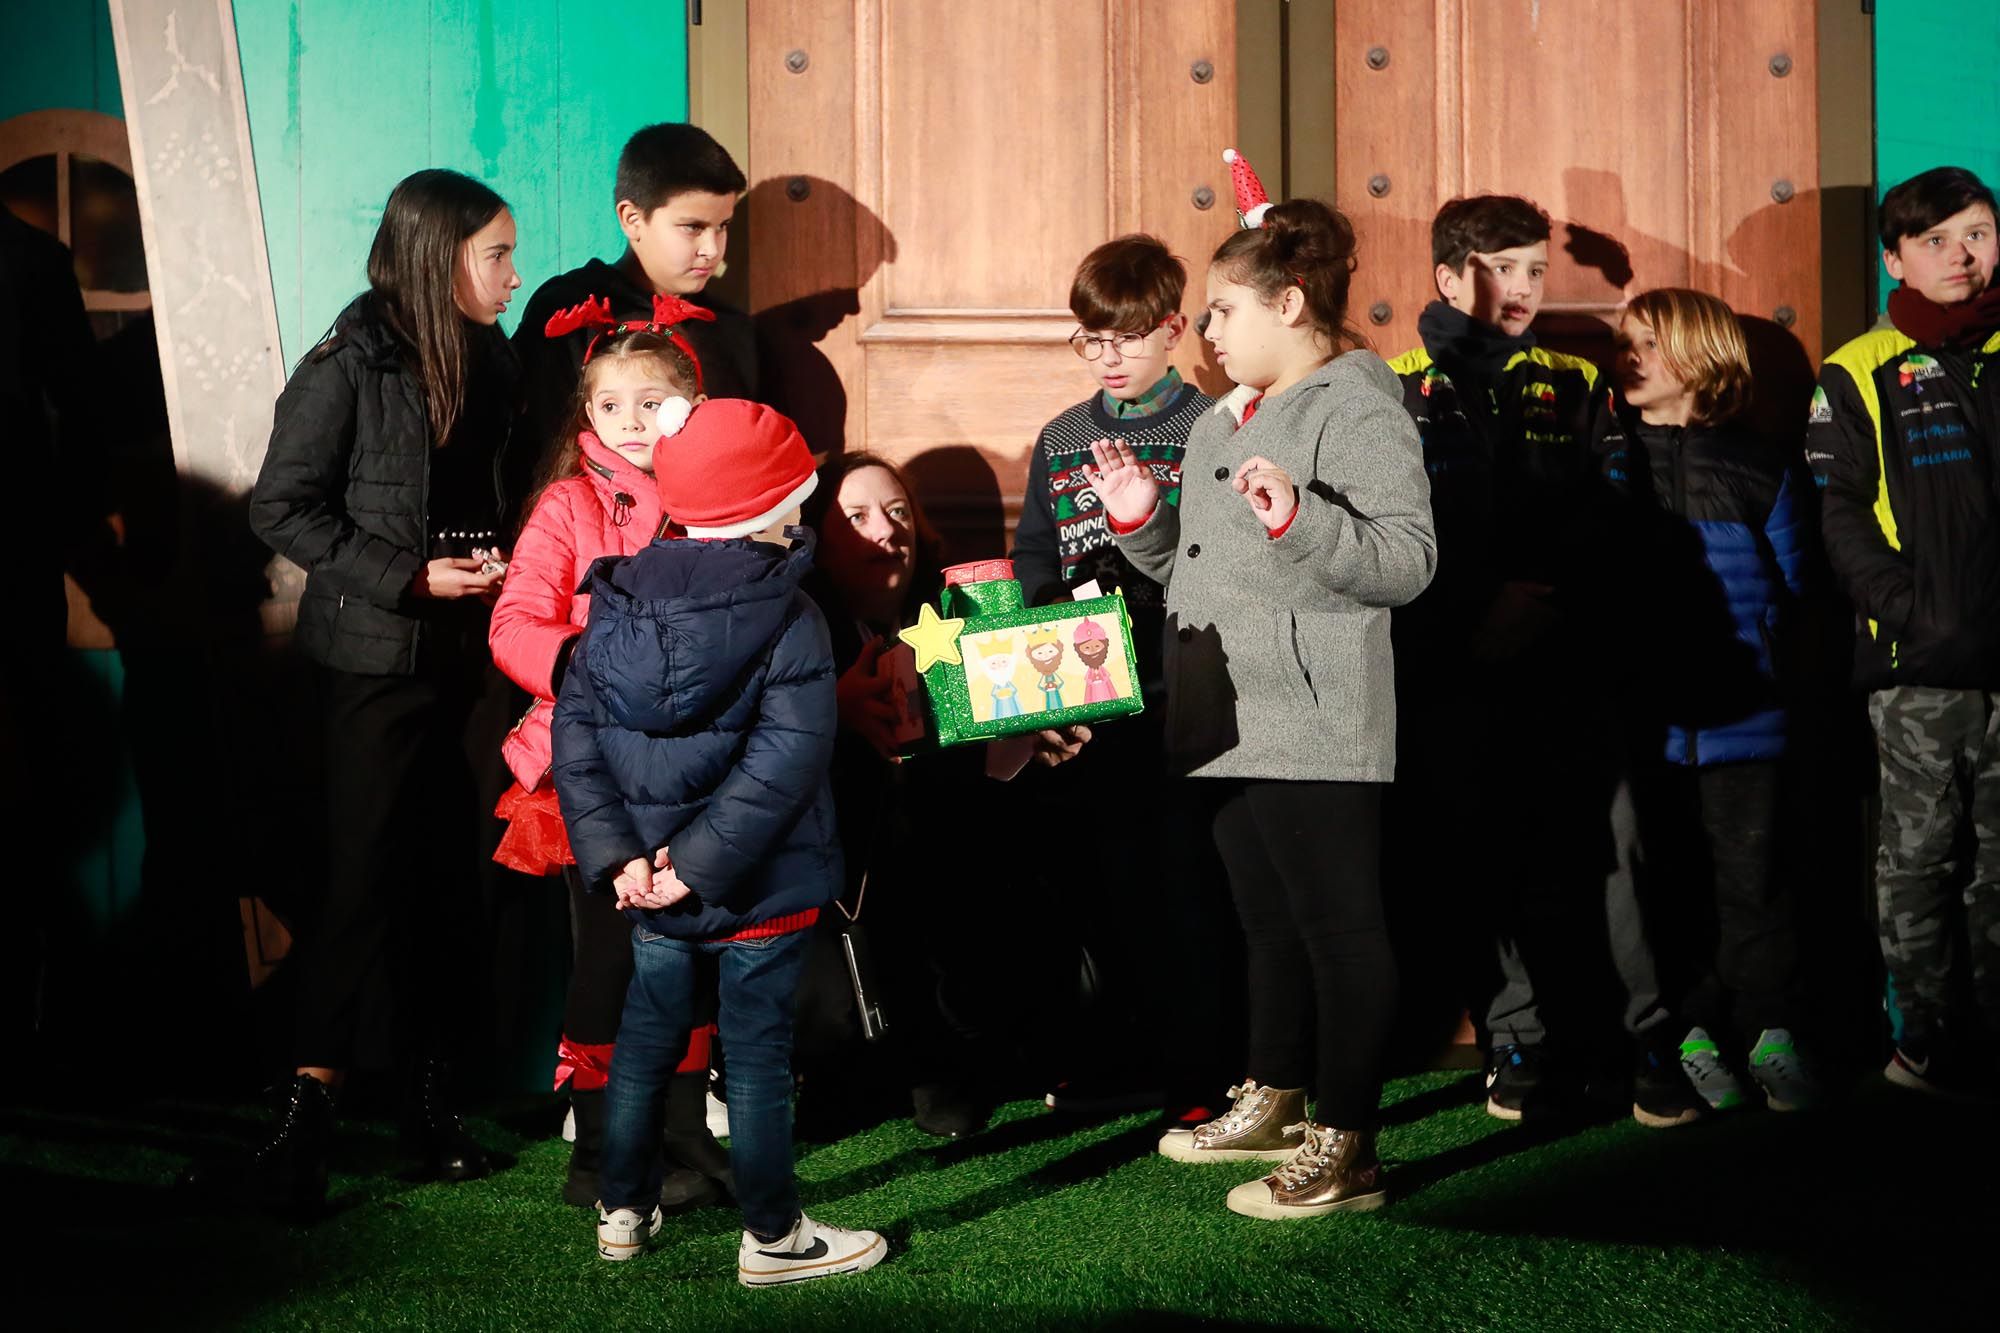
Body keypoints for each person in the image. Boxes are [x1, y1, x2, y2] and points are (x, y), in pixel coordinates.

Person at [1086, 195, 1436, 1218]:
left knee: (1338, 931)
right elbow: (1206, 561)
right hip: (1221, 709)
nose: (1206, 330)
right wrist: (1142, 527)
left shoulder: (1354, 403)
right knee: (1266, 922)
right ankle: (1275, 1093)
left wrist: (1302, 518)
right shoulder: (1219, 419)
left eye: (1223, 309)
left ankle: (1346, 1137)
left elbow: (1406, 562)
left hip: (1316, 712)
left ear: (1289, 304)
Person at [212, 169, 521, 1215]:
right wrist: (405, 577)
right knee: (360, 887)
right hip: (373, 664)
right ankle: (305, 1124)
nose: (511, 277)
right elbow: (280, 507)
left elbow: (508, 490)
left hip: (478, 662)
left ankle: (429, 1113)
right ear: (440, 258)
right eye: (496, 255)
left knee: (455, 880)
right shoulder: (348, 363)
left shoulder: (493, 355)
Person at [552, 398, 886, 1283]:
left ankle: (623, 1208)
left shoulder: (614, 601)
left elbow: (574, 739)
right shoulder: (792, 615)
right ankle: (775, 1234)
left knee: (646, 1041)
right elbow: (784, 765)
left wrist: (624, 858)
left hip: (652, 886)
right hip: (756, 889)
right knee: (757, 1058)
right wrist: (691, 869)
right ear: (779, 507)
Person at [1386, 194, 1700, 1127]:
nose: (1523, 287)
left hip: (1568, 652)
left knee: (1615, 852)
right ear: (1449, 277)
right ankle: (1514, 1038)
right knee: (1476, 856)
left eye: (1533, 268)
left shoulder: (1573, 377)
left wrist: (1538, 605)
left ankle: (1645, 1037)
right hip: (1451, 658)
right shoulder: (1390, 386)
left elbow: (1612, 509)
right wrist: (1475, 612)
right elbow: (1392, 532)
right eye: (1500, 268)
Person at [488, 306, 734, 1207]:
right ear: (585, 416)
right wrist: (597, 667)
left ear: (693, 405)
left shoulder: (720, 502)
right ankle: (598, 1155)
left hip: (697, 763)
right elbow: (515, 623)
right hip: (590, 767)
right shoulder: (568, 504)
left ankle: (678, 1137)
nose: (631, 420)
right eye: (610, 404)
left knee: (691, 945)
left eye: (653, 401)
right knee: (611, 958)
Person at [795, 452, 1090, 1138]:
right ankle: (854, 1060)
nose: (887, 531)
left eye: (899, 513)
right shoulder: (799, 627)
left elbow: (993, 755)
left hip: (944, 874)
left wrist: (1028, 739)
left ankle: (954, 1054)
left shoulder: (952, 620)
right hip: (835, 883)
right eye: (858, 516)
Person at [1010, 234, 1236, 1117]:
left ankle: (1201, 1072)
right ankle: (1111, 1055)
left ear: (1174, 329)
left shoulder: (1211, 424)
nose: (1108, 356)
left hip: (1188, 690)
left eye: (1128, 337)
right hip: (1087, 694)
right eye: (1091, 339)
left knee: (1188, 885)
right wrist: (1046, 680)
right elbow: (1035, 556)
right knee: (1098, 885)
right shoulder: (1062, 436)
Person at [1810, 165, 2000, 1099]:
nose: (1960, 255)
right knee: (1921, 857)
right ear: (1896, 259)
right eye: (1935, 241)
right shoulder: (1858, 368)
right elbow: (1838, 513)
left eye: (1976, 233)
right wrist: (1917, 611)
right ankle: (1922, 1037)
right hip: (1919, 668)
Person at [1609, 287, 1821, 1114]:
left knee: (1753, 881)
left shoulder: (1760, 459)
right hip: (1646, 718)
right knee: (1666, 885)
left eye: (1645, 344)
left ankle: (1772, 1033)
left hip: (1746, 717)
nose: (1626, 359)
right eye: (1623, 342)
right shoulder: (1611, 453)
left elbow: (1798, 583)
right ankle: (1692, 1037)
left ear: (1698, 357)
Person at [511, 123, 759, 505]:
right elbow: (536, 449)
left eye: (722, 226)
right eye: (692, 227)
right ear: (631, 218)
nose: (712, 249)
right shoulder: (572, 309)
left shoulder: (729, 330)